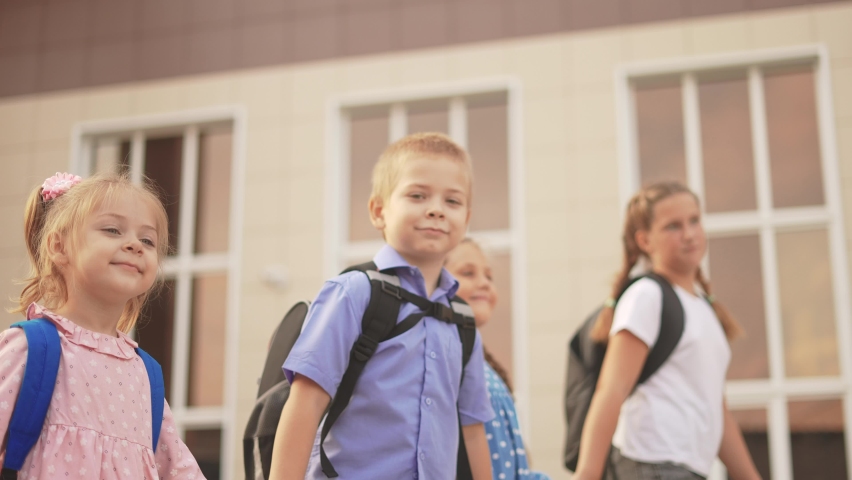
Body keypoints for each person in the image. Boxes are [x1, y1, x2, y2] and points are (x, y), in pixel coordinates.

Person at [269, 132, 494, 479]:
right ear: (379, 211)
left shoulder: (462, 322)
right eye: (417, 195)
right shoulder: (354, 293)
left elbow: (474, 430)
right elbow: (306, 402)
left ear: (466, 219)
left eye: (452, 201)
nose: (435, 209)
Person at [1, 171, 205, 479]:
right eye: (112, 230)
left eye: (148, 240)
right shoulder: (29, 349)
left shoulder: (145, 376)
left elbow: (178, 470)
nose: (135, 245)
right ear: (59, 246)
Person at [573, 182, 761, 480]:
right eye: (673, 226)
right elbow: (612, 390)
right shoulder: (647, 296)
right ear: (645, 240)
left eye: (694, 221)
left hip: (688, 468)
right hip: (653, 462)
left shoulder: (703, 306)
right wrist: (587, 474)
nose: (689, 234)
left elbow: (717, 410)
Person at [445, 239, 551, 480]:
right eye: (468, 273)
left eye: (489, 276)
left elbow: (513, 465)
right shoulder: (442, 359)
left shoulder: (481, 364)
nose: (484, 283)